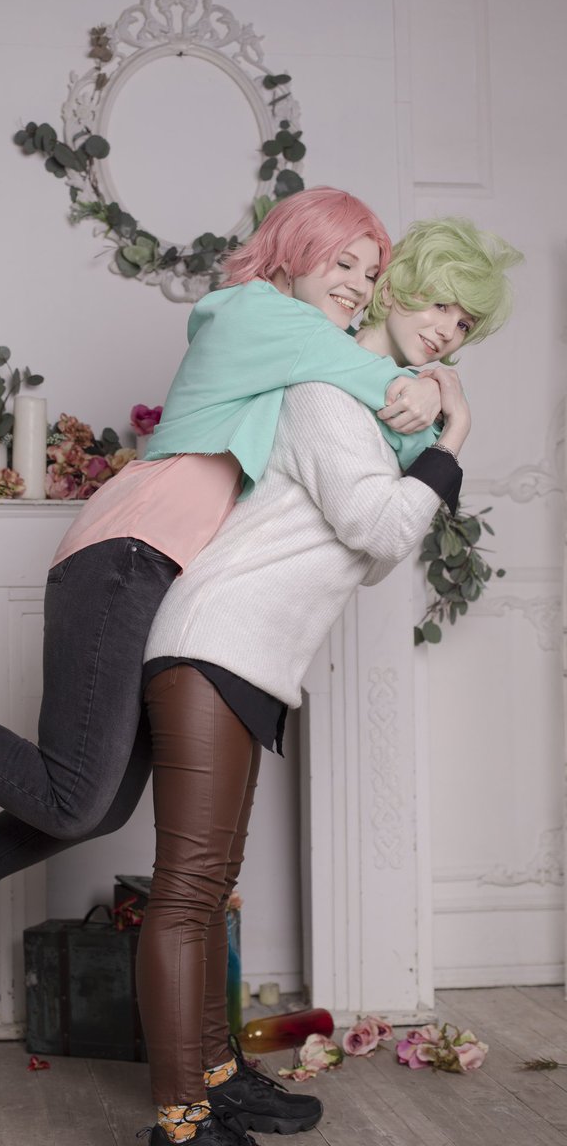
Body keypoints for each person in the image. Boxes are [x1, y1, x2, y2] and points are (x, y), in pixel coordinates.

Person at [0, 190, 443, 1134]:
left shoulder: (304, 351)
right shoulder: (252, 313)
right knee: (78, 794)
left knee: (95, 803)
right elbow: (383, 393)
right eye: (344, 263)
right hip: (129, 551)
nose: (359, 287)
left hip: (162, 574)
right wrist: (441, 395)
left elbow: (384, 434)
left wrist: (428, 408)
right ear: (294, 252)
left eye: (371, 274)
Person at [133, 216, 522, 1145]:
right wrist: (455, 434)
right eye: (439, 303)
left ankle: (218, 1078)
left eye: (466, 323)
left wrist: (419, 454)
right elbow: (381, 531)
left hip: (254, 660)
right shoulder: (325, 394)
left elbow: (374, 555)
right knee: (187, 891)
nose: (447, 330)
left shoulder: (373, 420)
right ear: (397, 289)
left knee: (212, 886)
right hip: (214, 643)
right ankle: (181, 1122)